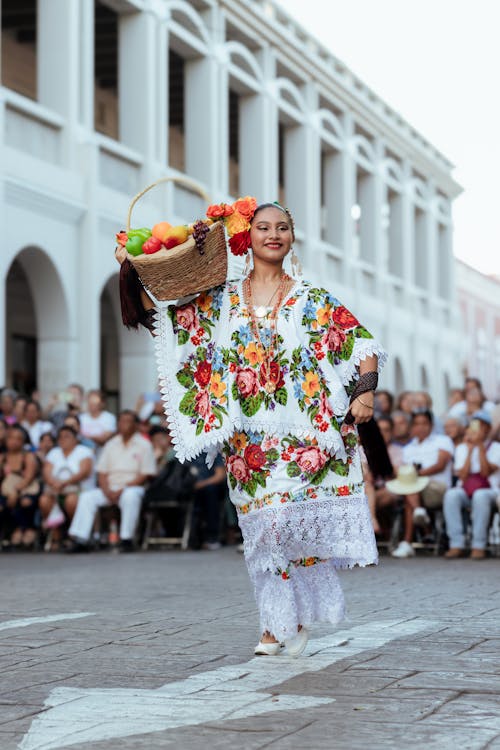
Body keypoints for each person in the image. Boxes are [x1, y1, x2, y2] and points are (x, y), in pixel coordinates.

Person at [116, 199, 386, 656]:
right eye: (263, 227)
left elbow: (360, 342)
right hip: (248, 443)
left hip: (305, 438)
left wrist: (364, 391)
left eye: (282, 227)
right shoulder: (220, 299)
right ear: (248, 236)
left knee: (286, 526)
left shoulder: (310, 298)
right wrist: (132, 268)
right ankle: (282, 619)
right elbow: (164, 321)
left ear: (292, 237)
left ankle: (280, 622)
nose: (273, 234)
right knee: (262, 530)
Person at [68, 410, 156, 552]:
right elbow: (102, 472)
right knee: (87, 497)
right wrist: (107, 490)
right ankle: (80, 539)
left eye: (128, 421)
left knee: (130, 496)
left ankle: (126, 539)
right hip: (110, 487)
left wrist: (123, 488)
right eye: (121, 421)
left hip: (132, 486)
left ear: (136, 425)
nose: (124, 425)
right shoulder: (111, 444)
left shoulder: (144, 445)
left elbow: (145, 474)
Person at [391, 409, 454, 558]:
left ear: (431, 425)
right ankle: (418, 518)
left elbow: (441, 464)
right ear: (412, 426)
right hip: (415, 490)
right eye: (417, 424)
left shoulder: (443, 441)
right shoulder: (408, 448)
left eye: (424, 423)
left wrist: (416, 474)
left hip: (437, 488)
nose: (421, 427)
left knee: (409, 487)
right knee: (409, 491)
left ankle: (418, 533)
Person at [443, 410, 500, 559]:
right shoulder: (462, 448)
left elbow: (485, 472)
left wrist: (480, 446)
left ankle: (478, 545)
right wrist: (469, 451)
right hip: (466, 489)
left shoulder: (496, 448)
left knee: (480, 496)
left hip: (488, 491)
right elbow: (462, 475)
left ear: (487, 429)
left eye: (480, 426)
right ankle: (456, 544)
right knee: (451, 495)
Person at [39, 426, 94, 550]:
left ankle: (74, 534)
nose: (63, 439)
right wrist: (55, 483)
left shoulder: (84, 451)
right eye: (61, 437)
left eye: (67, 436)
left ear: (76, 439)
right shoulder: (54, 452)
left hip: (77, 489)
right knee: (44, 501)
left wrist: (64, 483)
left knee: (71, 501)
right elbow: (47, 472)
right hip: (56, 489)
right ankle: (57, 536)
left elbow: (84, 472)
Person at [0, 425, 41, 547]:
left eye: (18, 439)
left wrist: (15, 491)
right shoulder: (2, 457)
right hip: (6, 490)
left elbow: (28, 478)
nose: (14, 442)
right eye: (11, 438)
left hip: (26, 490)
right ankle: (10, 530)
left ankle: (27, 528)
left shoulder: (28, 456)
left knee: (25, 502)